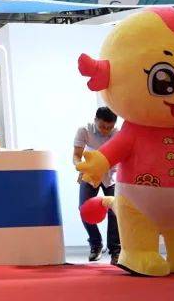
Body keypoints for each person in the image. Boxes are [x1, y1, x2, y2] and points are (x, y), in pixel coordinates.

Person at [74, 106, 120, 264]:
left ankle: (115, 250)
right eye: (102, 126)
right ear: (95, 120)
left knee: (115, 211)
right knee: (84, 209)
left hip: (111, 174)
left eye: (109, 127)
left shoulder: (118, 134)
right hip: (90, 174)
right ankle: (96, 244)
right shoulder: (84, 131)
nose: (105, 130)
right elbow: (76, 155)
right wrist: (81, 167)